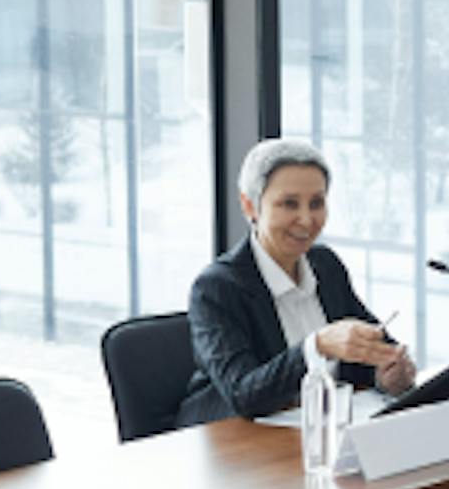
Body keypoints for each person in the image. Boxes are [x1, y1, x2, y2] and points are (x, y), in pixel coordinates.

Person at [178, 138, 415, 424]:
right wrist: (317, 346)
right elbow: (243, 394)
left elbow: (364, 354)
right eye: (289, 204)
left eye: (317, 203)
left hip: (319, 431)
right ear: (250, 206)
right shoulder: (216, 288)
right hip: (236, 442)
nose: (306, 219)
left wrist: (387, 373)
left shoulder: (325, 265)